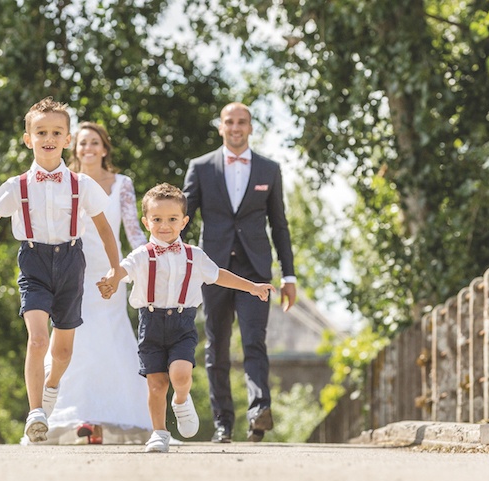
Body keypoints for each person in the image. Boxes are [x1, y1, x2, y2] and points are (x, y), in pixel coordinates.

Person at [0, 97, 121, 444]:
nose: (48, 137)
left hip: (72, 262)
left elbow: (103, 227)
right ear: (28, 138)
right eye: (41, 131)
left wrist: (116, 270)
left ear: (67, 139)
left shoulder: (82, 185)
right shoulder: (17, 186)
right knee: (39, 338)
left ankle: (52, 384)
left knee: (63, 352)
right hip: (34, 262)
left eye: (56, 132)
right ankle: (36, 413)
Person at [98, 183, 274, 452]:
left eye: (171, 219)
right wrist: (111, 280)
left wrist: (252, 286)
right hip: (151, 324)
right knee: (156, 383)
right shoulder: (142, 255)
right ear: (146, 222)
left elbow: (219, 275)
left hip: (182, 323)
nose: (164, 225)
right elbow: (123, 269)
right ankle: (159, 432)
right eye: (157, 219)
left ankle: (180, 400)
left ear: (184, 221)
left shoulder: (195, 256)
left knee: (180, 374)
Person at [182, 102, 297, 444]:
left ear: (250, 127)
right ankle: (223, 422)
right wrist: (176, 264)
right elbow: (182, 218)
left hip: (255, 270)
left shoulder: (269, 169)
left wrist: (288, 276)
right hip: (213, 268)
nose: (235, 127)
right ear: (220, 127)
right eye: (229, 122)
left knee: (253, 341)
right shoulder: (200, 167)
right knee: (216, 344)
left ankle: (259, 412)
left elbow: (280, 225)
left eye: (241, 122)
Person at [40, 122, 152, 444]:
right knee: (77, 342)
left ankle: (104, 418)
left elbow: (132, 228)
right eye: (82, 143)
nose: (88, 149)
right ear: (75, 149)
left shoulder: (122, 184)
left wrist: (141, 262)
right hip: (73, 271)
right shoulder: (65, 181)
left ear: (104, 149)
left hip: (109, 274)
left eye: (94, 143)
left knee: (110, 343)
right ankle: (83, 416)